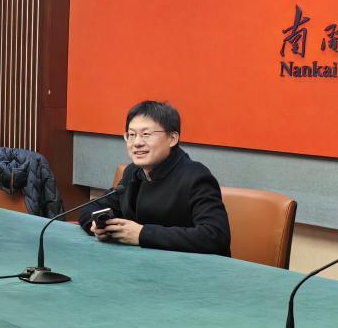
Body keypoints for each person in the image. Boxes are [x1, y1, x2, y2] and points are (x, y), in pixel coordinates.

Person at [78, 100, 231, 256]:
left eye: (146, 134)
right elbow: (91, 208)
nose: (137, 143)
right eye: (131, 135)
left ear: (172, 138)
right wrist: (98, 226)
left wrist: (142, 234)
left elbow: (215, 236)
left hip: (188, 266)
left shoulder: (196, 176)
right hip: (142, 262)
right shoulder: (133, 172)